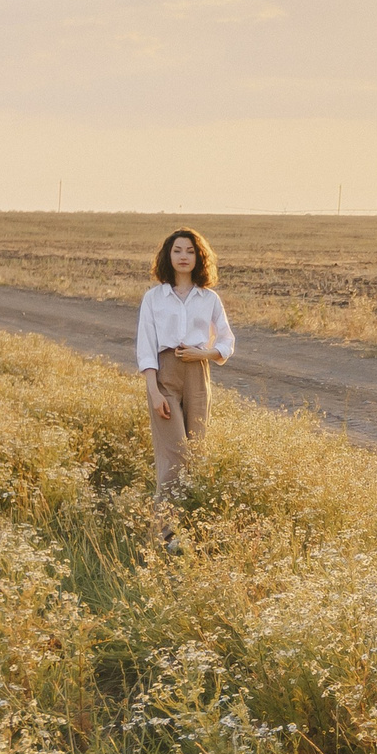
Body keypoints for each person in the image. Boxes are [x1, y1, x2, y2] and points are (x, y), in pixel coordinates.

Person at [136, 227, 235, 534]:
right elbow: (145, 345)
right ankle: (161, 534)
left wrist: (203, 354)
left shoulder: (209, 298)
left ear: (198, 257)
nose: (183, 257)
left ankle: (189, 528)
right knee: (174, 456)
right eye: (178, 250)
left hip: (198, 374)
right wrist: (153, 391)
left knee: (196, 453)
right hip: (164, 375)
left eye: (190, 251)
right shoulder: (154, 298)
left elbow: (228, 340)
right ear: (168, 255)